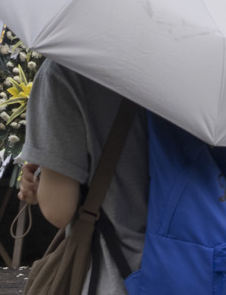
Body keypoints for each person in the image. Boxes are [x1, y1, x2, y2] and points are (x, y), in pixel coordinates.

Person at [17, 59, 148, 295]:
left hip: (116, 276)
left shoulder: (66, 70)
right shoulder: (191, 69)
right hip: (195, 268)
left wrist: (41, 182)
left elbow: (59, 210)